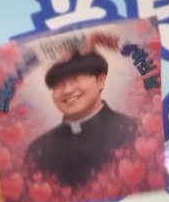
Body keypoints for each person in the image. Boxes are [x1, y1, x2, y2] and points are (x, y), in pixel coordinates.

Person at [23, 49, 140, 190]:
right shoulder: (38, 149)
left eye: (76, 79)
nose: (67, 90)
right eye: (58, 84)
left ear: (101, 81)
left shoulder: (134, 131)